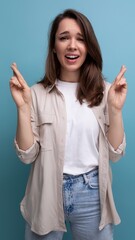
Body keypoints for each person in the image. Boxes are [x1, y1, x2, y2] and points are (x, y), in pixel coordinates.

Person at [10, 8, 127, 240]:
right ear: (54, 46)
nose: (72, 45)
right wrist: (23, 108)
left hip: (92, 194)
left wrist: (114, 110)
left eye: (80, 39)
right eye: (64, 38)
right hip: (45, 193)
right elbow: (26, 156)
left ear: (88, 47)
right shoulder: (35, 94)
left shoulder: (105, 92)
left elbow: (116, 154)